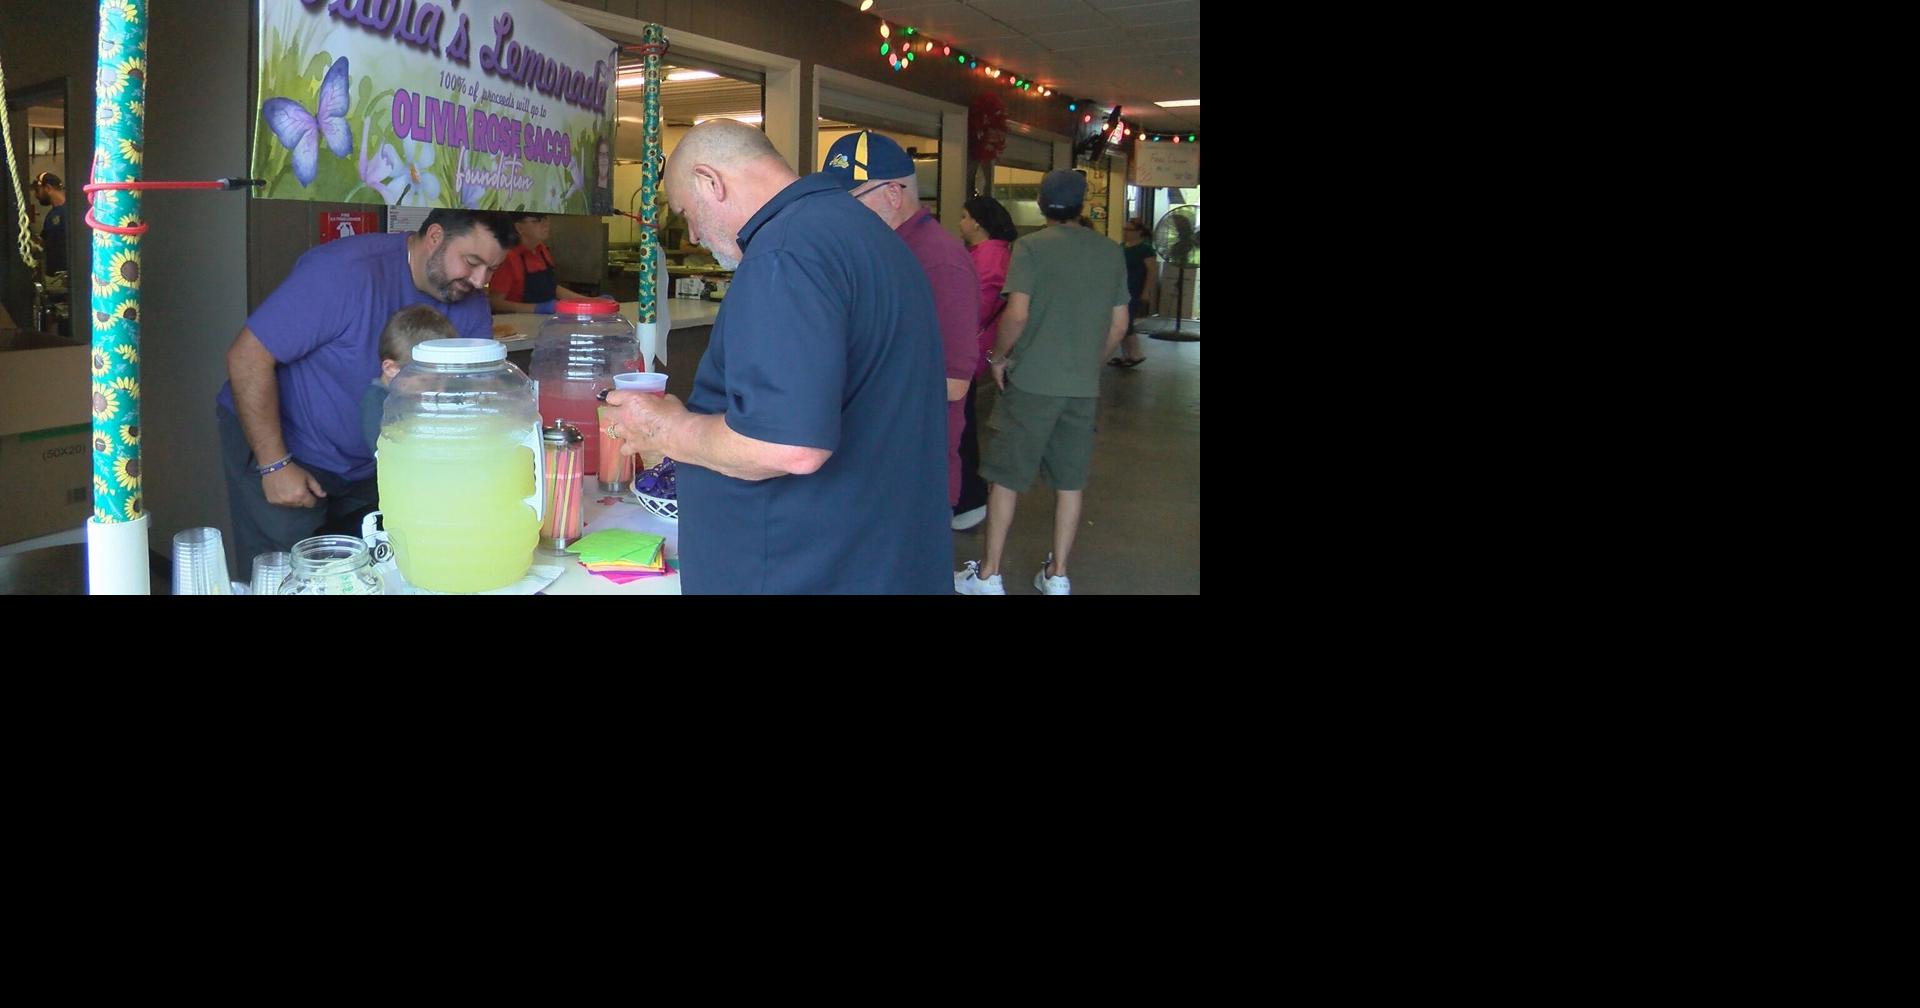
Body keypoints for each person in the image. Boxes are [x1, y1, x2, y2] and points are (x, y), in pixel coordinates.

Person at [599, 119, 948, 594]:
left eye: (686, 213)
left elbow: (786, 445)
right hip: (874, 551)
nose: (694, 235)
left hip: (804, 568)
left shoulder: (784, 253)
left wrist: (666, 429)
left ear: (710, 181)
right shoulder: (861, 231)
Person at [215, 208, 513, 578]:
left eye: (492, 269)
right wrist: (274, 464)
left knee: (366, 571)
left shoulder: (469, 301)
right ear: (435, 237)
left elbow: (473, 395)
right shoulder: (343, 272)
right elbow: (247, 357)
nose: (480, 280)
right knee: (288, 573)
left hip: (374, 462)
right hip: (286, 446)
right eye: (472, 262)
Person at [954, 169, 1128, 596]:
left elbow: (1016, 314)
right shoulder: (1110, 251)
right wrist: (1090, 364)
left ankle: (989, 574)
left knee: (1006, 478)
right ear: (1081, 205)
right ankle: (1058, 574)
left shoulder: (1031, 248)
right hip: (1081, 387)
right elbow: (1119, 325)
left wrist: (999, 357)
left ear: (1043, 204)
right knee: (1070, 481)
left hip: (1030, 381)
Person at [820, 130, 979, 519]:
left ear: (893, 194)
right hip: (869, 461)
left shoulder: (939, 261)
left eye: (851, 199)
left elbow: (954, 382)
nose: (840, 212)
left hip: (910, 470)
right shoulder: (879, 249)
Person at [951, 194, 1017, 531]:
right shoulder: (991, 253)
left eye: (964, 216)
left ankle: (968, 498)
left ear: (977, 222)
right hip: (974, 348)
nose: (960, 223)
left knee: (960, 428)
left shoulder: (989, 256)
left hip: (969, 350)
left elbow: (976, 305)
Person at [361, 304, 459, 454]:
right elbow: (387, 456)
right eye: (428, 383)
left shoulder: (427, 394)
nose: (441, 391)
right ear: (391, 369)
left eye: (446, 380)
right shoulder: (376, 404)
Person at [488, 212, 590, 314]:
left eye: (546, 219)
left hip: (545, 320)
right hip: (519, 322)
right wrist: (536, 308)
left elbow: (551, 288)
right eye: (537, 221)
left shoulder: (542, 250)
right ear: (519, 228)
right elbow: (495, 303)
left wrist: (588, 301)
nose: (545, 224)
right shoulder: (508, 257)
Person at [1110, 218, 1157, 367]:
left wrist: (1146, 292)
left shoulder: (1145, 249)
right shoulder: (1122, 247)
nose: (1125, 232)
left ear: (1139, 232)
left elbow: (1151, 272)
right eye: (1124, 229)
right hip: (1121, 289)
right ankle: (1126, 355)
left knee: (1127, 322)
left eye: (1129, 230)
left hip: (1134, 289)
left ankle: (1135, 354)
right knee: (1121, 322)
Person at [31, 172, 66, 276]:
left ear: (48, 188)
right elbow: (43, 241)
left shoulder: (71, 213)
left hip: (67, 276)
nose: (36, 196)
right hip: (54, 276)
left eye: (37, 190)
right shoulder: (51, 216)